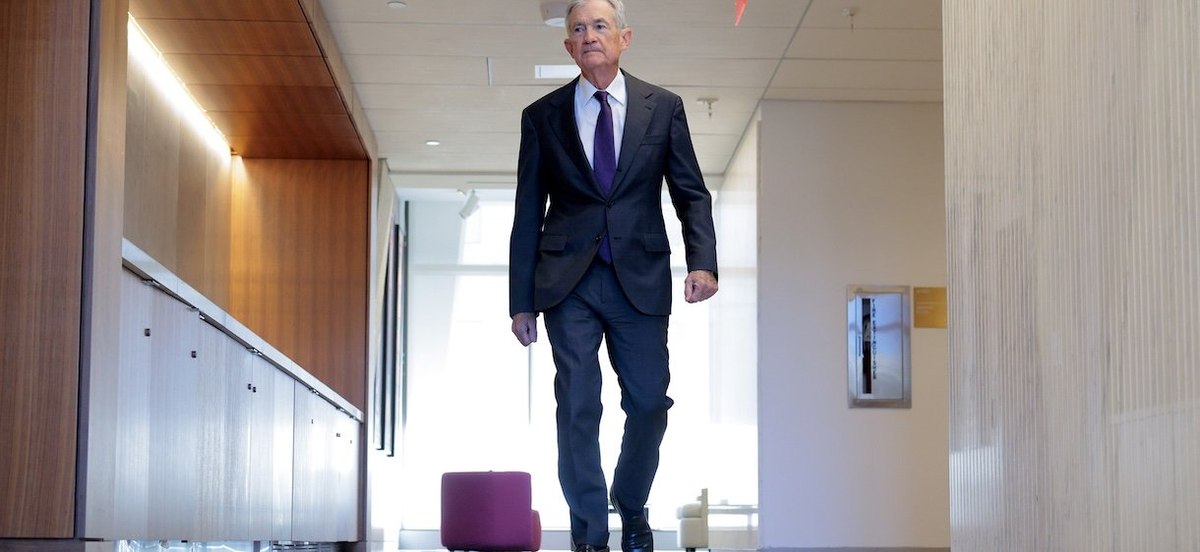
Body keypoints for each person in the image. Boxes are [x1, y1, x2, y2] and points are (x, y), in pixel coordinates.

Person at [508, 1, 718, 552]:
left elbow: (690, 192)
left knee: (648, 403)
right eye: (578, 29)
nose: (589, 35)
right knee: (578, 404)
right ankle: (590, 533)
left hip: (639, 279)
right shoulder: (542, 115)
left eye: (600, 26)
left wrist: (702, 261)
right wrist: (521, 300)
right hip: (568, 283)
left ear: (625, 38)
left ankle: (630, 500)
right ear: (568, 47)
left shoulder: (662, 107)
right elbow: (527, 212)